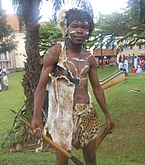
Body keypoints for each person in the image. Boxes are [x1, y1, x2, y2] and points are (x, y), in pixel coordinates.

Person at [30, 8, 114, 165]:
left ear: (89, 31)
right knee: (62, 161)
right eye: (74, 26)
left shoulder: (89, 58)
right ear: (66, 28)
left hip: (87, 113)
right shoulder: (56, 53)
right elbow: (41, 87)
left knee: (91, 159)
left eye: (84, 27)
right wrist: (35, 117)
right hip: (63, 115)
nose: (79, 31)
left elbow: (97, 88)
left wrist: (107, 115)